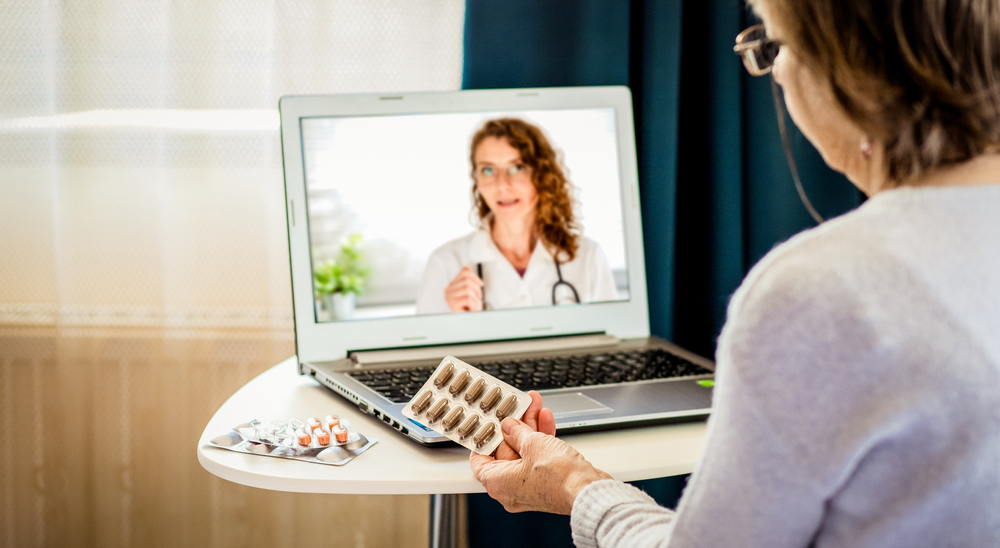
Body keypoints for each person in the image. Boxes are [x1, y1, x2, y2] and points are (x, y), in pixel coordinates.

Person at [469, 0, 1000, 546]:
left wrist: (575, 485)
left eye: (775, 44)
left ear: (850, 68)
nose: (775, 74)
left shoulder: (818, 289)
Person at [415, 118, 619, 315]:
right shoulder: (446, 264)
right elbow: (430, 352)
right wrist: (458, 324)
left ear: (543, 175)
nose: (502, 184)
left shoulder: (587, 256)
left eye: (517, 167)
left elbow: (614, 341)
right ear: (476, 180)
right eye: (488, 170)